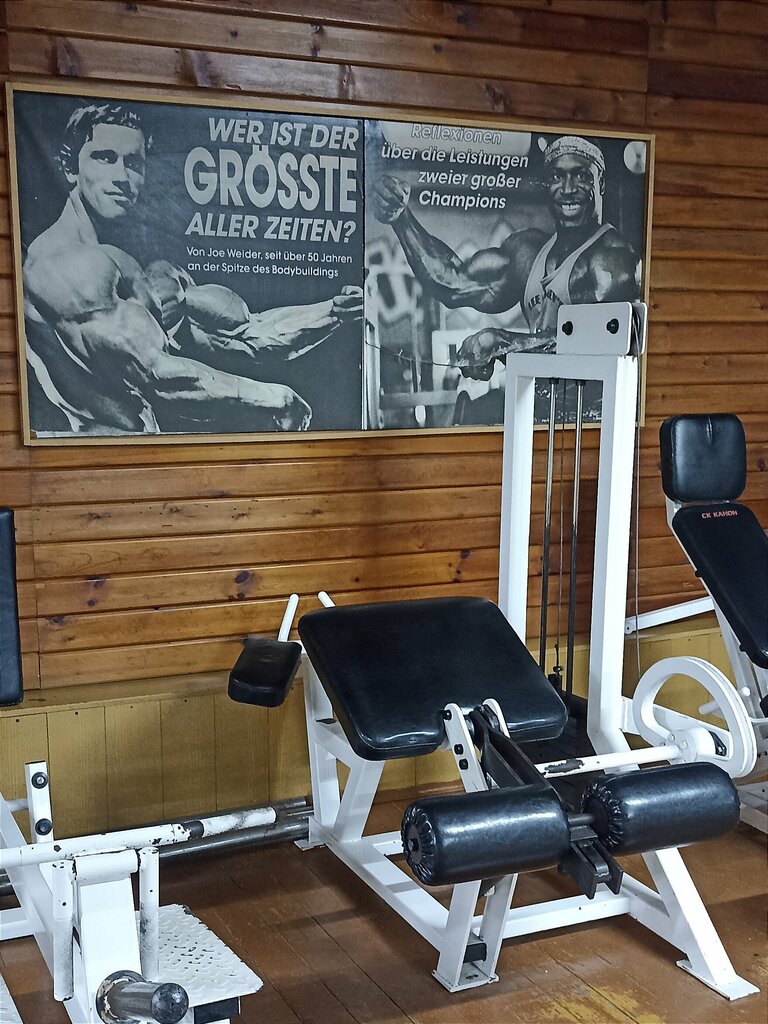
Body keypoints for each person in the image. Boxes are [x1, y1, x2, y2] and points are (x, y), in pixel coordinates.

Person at [22, 101, 362, 434]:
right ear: (70, 168)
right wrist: (275, 399)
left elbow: (246, 336)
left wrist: (334, 311)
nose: (122, 177)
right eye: (105, 158)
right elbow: (156, 377)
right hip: (89, 458)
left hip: (146, 450)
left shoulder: (130, 266)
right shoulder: (61, 266)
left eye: (133, 163)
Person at [373, 135, 639, 380]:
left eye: (581, 176)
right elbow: (452, 284)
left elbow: (596, 340)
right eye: (557, 177)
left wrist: (503, 343)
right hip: (538, 404)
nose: (568, 189)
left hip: (594, 411)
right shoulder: (529, 253)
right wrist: (401, 218)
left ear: (600, 183)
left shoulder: (613, 259)